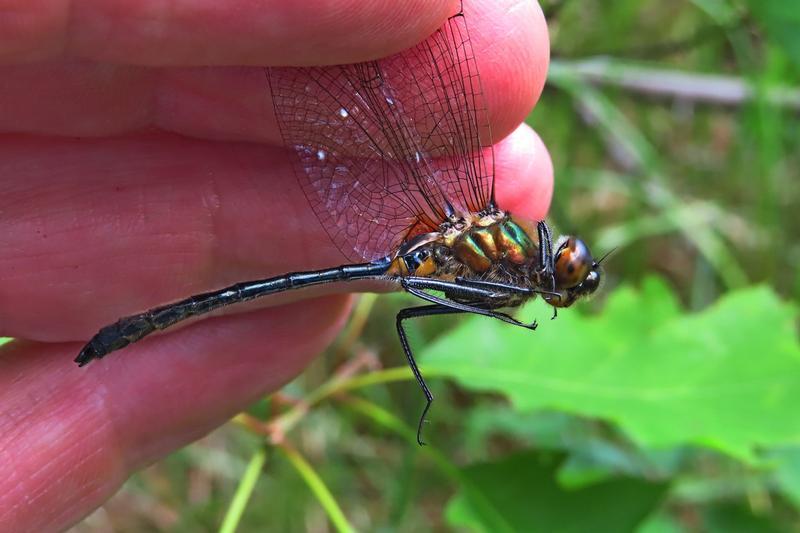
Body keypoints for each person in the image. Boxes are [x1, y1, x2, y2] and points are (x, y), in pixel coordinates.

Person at [0, 0, 552, 528]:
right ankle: (135, 327)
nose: (557, 270)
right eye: (564, 269)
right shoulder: (497, 241)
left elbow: (460, 296)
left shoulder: (502, 253)